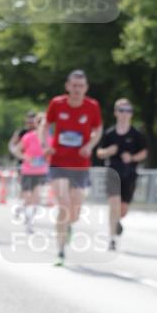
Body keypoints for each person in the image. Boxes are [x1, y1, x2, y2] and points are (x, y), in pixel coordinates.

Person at [46, 70, 103, 266]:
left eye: (81, 86)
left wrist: (90, 145)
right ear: (68, 86)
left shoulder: (92, 106)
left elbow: (98, 128)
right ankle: (60, 251)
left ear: (86, 88)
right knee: (63, 203)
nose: (77, 89)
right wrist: (45, 144)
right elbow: (45, 124)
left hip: (80, 165)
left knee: (75, 210)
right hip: (58, 162)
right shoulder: (57, 103)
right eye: (74, 85)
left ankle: (69, 226)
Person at [96, 98, 148, 250]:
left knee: (123, 209)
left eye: (128, 111)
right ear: (116, 113)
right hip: (113, 172)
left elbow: (144, 152)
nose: (125, 114)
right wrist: (108, 151)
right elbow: (99, 152)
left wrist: (132, 158)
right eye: (122, 110)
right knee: (113, 205)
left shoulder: (136, 134)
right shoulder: (109, 133)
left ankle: (117, 222)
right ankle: (111, 238)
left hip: (129, 173)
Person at [12, 112, 52, 233]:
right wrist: (26, 157)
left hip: (42, 171)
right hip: (28, 171)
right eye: (42, 123)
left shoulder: (50, 139)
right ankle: (20, 208)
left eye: (47, 124)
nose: (45, 126)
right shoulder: (28, 136)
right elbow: (16, 150)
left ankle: (29, 223)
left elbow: (52, 154)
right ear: (37, 124)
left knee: (36, 198)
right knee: (27, 197)